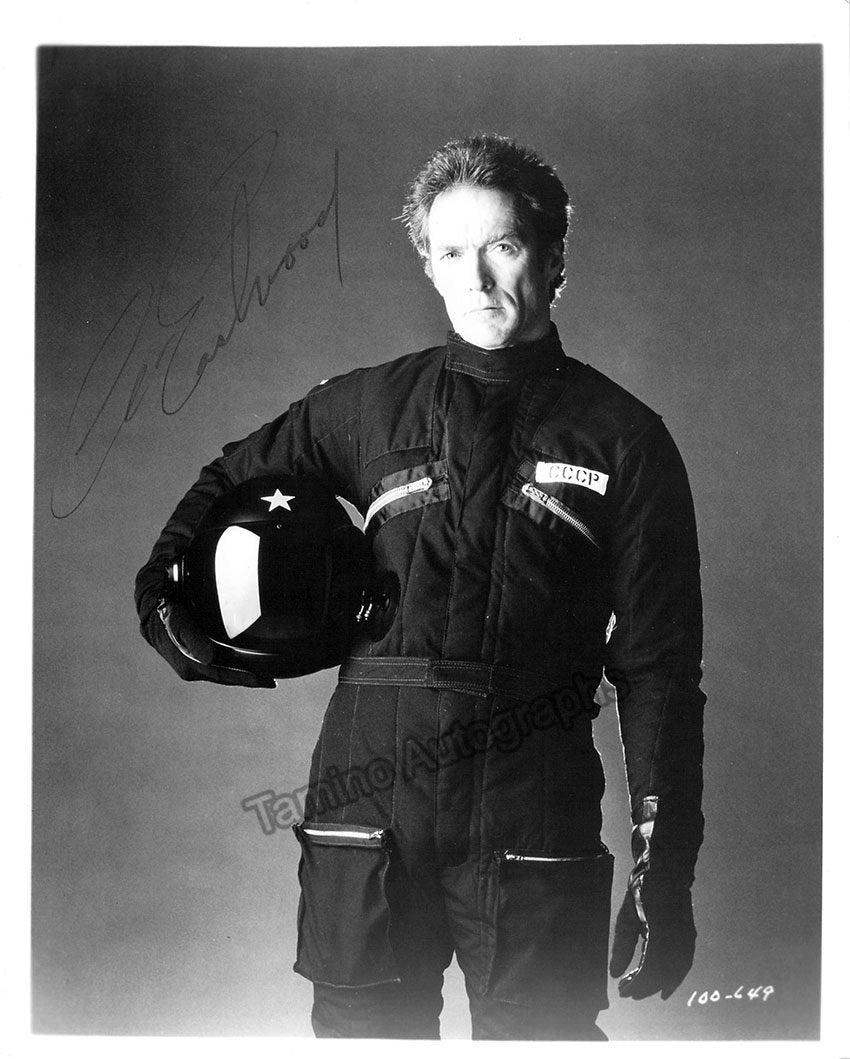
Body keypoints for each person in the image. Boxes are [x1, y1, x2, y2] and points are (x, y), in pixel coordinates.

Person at [135, 134, 705, 1041]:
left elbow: (659, 670)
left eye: (502, 246)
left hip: (531, 799)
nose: (476, 278)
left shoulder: (625, 440)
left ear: (553, 257)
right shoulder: (366, 407)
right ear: (429, 267)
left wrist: (663, 870)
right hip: (368, 800)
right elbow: (225, 480)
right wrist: (162, 592)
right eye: (451, 252)